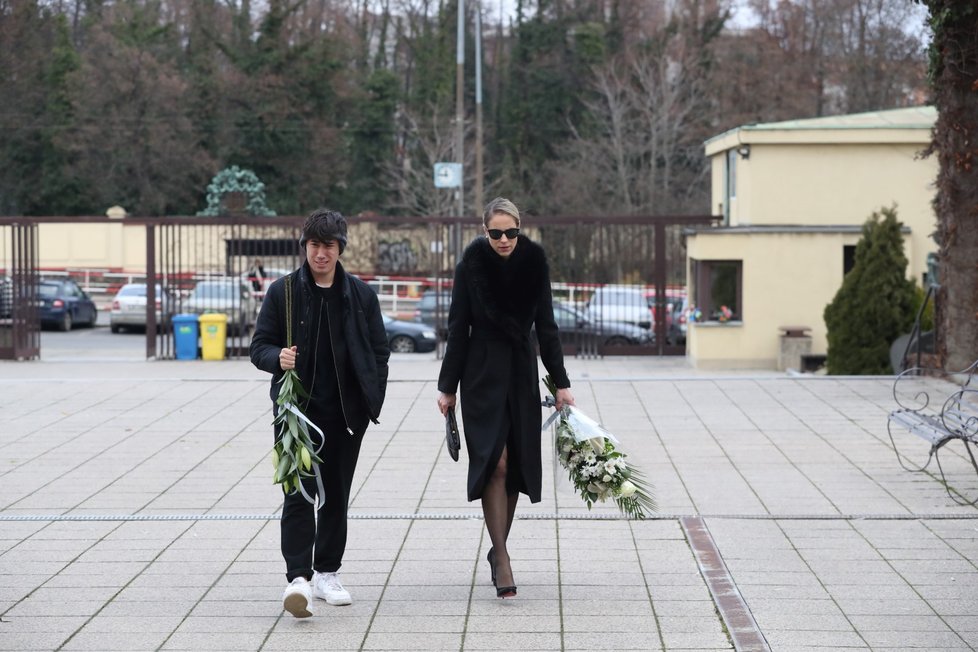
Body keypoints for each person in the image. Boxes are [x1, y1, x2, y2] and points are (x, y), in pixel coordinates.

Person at [250, 208, 390, 618]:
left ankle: (327, 572)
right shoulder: (284, 293)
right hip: (296, 412)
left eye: (328, 246)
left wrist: (370, 399)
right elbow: (259, 346)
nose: (321, 254)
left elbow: (379, 352)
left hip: (346, 415)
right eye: (314, 245)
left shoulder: (361, 296)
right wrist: (278, 357)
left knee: (335, 497)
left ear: (340, 248)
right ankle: (298, 579)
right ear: (305, 247)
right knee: (298, 493)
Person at [436, 197, 575, 599]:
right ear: (485, 232)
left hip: (520, 373)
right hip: (480, 374)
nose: (503, 240)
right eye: (495, 233)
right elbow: (457, 327)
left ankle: (497, 554)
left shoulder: (535, 266)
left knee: (513, 465)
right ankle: (503, 557)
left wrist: (561, 383)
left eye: (510, 232)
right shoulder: (470, 268)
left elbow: (547, 328)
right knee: (494, 462)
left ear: (519, 230)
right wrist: (448, 387)